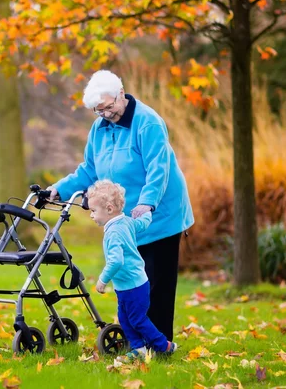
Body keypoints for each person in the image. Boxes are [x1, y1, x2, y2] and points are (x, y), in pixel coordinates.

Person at [47, 70, 194, 345]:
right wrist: (59, 189)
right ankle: (137, 342)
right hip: (124, 219)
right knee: (131, 282)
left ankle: (159, 345)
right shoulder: (99, 129)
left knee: (156, 283)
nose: (105, 114)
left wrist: (148, 203)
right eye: (98, 110)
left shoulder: (147, 122)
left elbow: (158, 169)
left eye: (108, 106)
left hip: (160, 213)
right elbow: (89, 170)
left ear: (121, 94)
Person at [87, 180, 177, 361]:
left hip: (133, 285)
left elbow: (116, 260)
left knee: (137, 319)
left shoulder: (114, 233)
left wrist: (103, 280)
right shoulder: (125, 221)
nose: (91, 215)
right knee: (125, 318)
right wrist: (147, 214)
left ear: (110, 209)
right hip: (128, 284)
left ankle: (165, 346)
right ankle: (139, 349)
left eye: (93, 211)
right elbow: (141, 224)